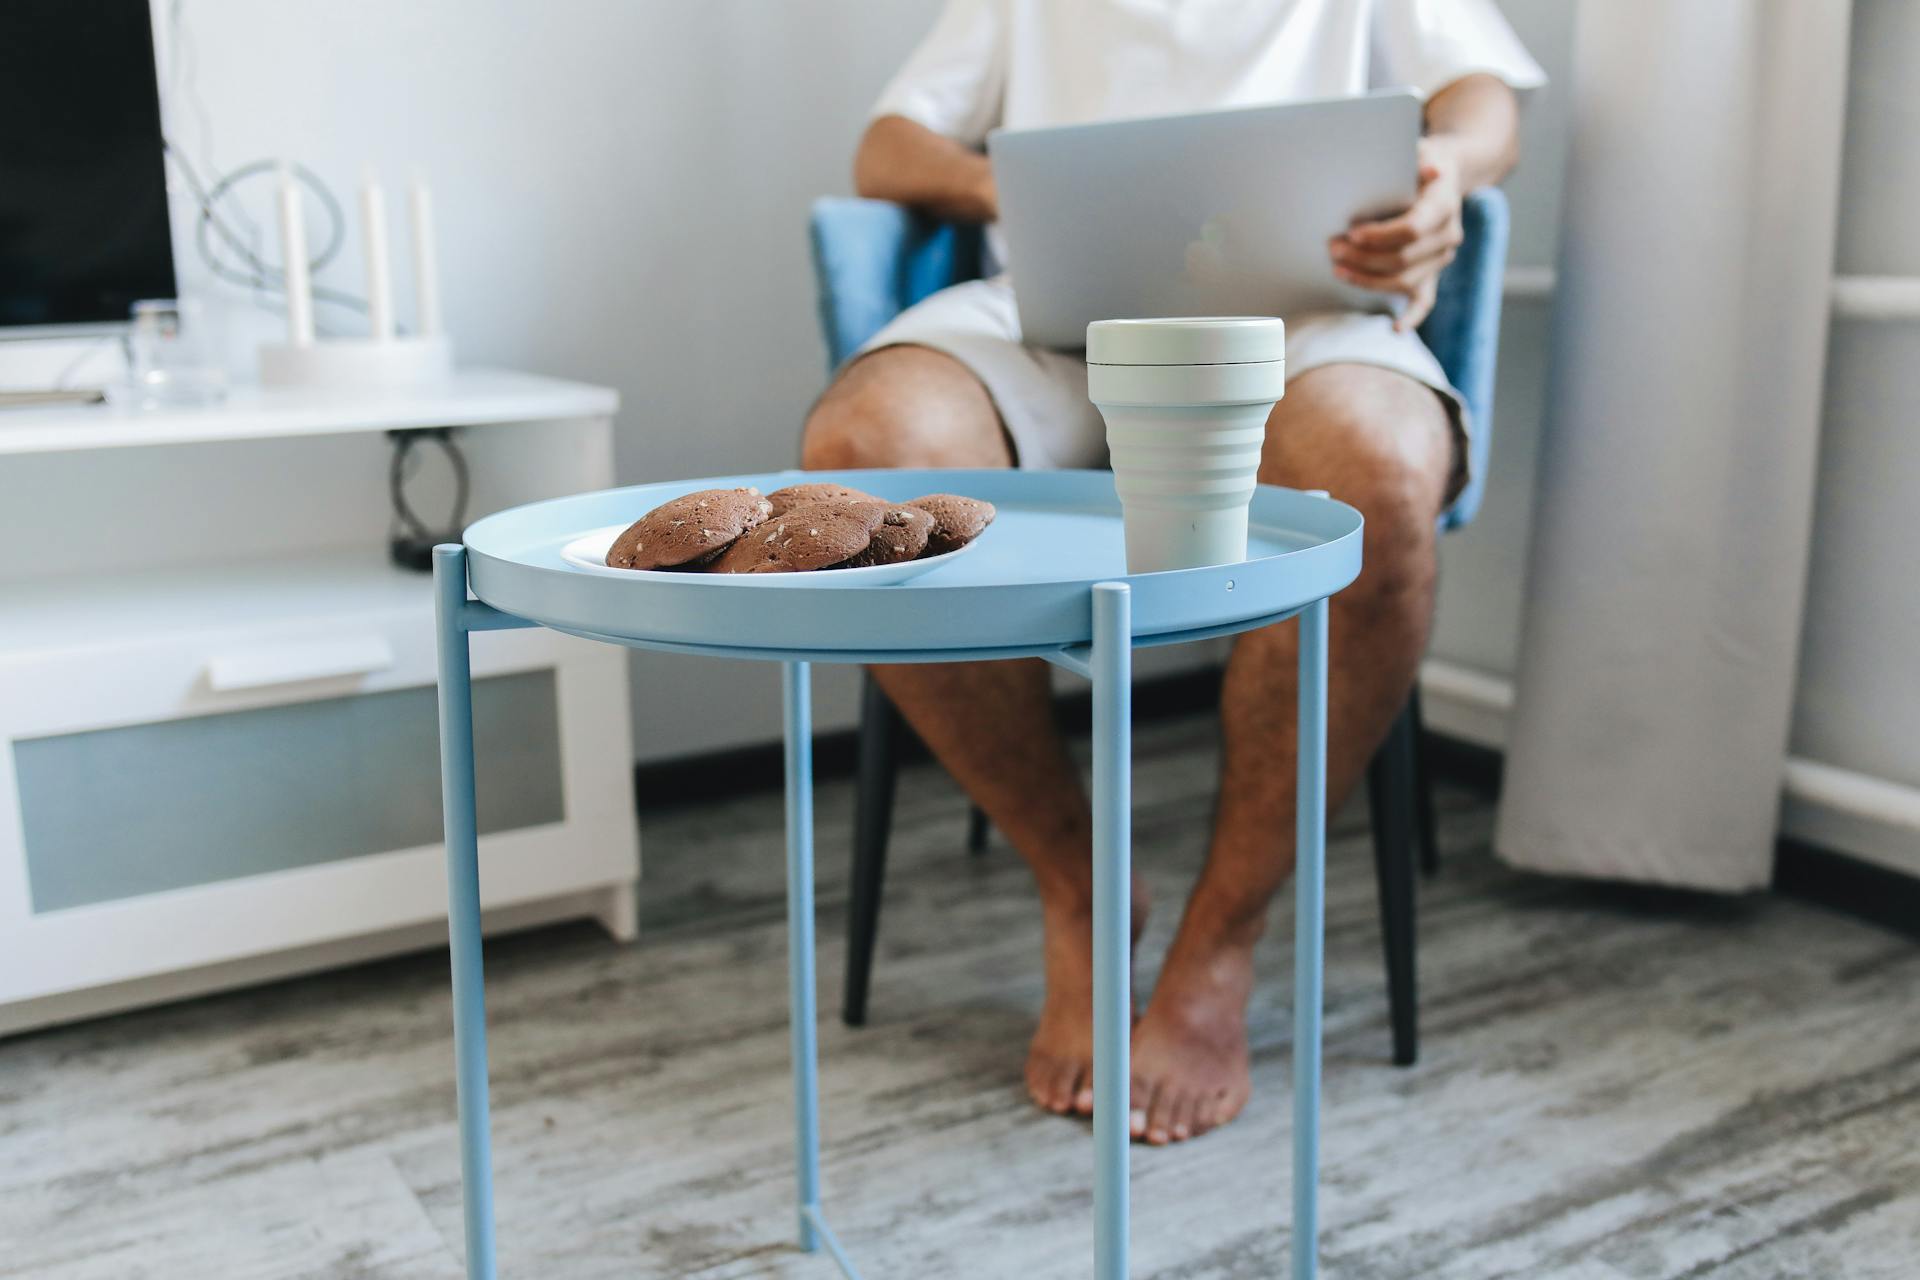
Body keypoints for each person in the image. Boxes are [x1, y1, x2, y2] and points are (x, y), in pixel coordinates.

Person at [801, 0, 1545, 1146]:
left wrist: (1442, 166)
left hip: (1303, 314)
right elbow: (885, 145)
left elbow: (1484, 96)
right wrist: (1018, 193)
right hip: (1048, 318)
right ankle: (1078, 876)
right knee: (863, 455)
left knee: (1384, 471)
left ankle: (1218, 945)